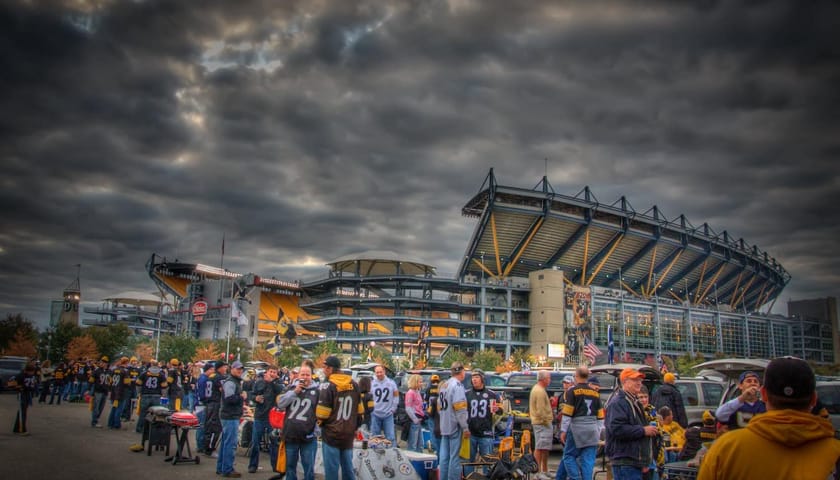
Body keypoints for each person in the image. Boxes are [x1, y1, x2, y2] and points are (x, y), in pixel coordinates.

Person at [697, 356, 840, 480]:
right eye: (749, 381)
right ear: (814, 399)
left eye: (755, 381)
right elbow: (721, 414)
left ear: (763, 393)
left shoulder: (725, 449)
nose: (752, 384)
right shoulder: (835, 451)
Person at [605, 367, 659, 480]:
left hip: (634, 462)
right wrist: (643, 430)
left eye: (640, 380)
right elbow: (616, 429)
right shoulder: (618, 402)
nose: (639, 383)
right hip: (625, 461)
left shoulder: (634, 402)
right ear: (625, 382)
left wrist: (644, 461)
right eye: (635, 380)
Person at [316, 356, 363, 480]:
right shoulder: (354, 384)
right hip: (348, 434)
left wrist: (321, 425)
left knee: (331, 471)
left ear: (331, 368)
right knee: (348, 469)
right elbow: (360, 412)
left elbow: (322, 414)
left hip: (331, 434)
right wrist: (354, 427)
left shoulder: (328, 385)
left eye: (325, 368)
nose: (324, 370)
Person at [560, 366, 604, 480]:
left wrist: (563, 430)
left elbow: (567, 413)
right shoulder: (595, 393)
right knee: (588, 460)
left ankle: (576, 478)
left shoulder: (572, 391)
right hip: (592, 428)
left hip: (577, 428)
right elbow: (600, 416)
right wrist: (598, 430)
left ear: (576, 376)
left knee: (569, 456)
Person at [278, 364, 319, 480]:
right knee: (290, 467)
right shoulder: (290, 388)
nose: (305, 377)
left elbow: (320, 413)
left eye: (308, 374)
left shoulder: (317, 392)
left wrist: (317, 431)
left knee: (309, 468)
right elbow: (280, 404)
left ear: (312, 376)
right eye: (303, 374)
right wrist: (295, 392)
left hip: (308, 436)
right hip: (291, 434)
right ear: (298, 375)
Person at [465, 369, 500, 472]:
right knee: (468, 461)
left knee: (487, 461)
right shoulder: (466, 394)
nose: (474, 379)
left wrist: (498, 409)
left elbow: (500, 411)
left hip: (486, 432)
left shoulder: (492, 394)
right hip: (470, 432)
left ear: (482, 379)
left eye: (477, 377)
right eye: (472, 377)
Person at [248, 365, 281, 474]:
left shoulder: (278, 384)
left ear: (277, 374)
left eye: (274, 372)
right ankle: (253, 465)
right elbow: (251, 395)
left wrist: (271, 382)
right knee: (255, 442)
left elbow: (280, 393)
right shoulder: (259, 382)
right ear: (267, 372)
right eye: (271, 371)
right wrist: (255, 398)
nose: (272, 374)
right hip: (259, 416)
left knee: (274, 442)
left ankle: (275, 466)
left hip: (272, 418)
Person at [439, 362, 469, 480]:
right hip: (455, 425)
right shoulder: (457, 386)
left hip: (444, 424)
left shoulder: (444, 385)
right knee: (455, 457)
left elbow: (439, 406)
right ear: (461, 372)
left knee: (444, 457)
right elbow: (460, 409)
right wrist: (465, 427)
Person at [217, 360, 247, 478]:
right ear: (232, 369)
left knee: (225, 442)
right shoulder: (231, 382)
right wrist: (241, 397)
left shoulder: (234, 381)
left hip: (229, 414)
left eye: (241, 369)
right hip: (230, 416)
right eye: (237, 369)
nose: (240, 371)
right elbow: (229, 399)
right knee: (230, 443)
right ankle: (227, 469)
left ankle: (221, 467)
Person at [529, 370, 554, 480]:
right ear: (543, 379)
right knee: (539, 447)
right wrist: (546, 420)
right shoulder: (539, 391)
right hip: (541, 423)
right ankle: (537, 472)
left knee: (545, 448)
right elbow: (540, 410)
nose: (550, 380)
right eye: (549, 378)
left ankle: (545, 470)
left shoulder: (540, 389)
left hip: (543, 422)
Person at [135, 360, 168, 434]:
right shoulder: (161, 374)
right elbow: (164, 387)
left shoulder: (144, 373)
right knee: (155, 414)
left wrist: (139, 393)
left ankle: (140, 428)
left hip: (145, 395)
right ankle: (152, 429)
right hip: (157, 396)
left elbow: (138, 384)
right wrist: (164, 397)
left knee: (143, 413)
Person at [369, 364, 399, 446]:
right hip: (375, 414)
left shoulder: (391, 383)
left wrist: (393, 409)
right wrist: (371, 410)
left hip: (388, 414)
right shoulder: (371, 383)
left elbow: (396, 397)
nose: (379, 374)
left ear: (384, 372)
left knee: (390, 437)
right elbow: (369, 397)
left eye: (380, 372)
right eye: (377, 372)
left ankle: (393, 456)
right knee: (374, 438)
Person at [11, 361, 37, 435]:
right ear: (27, 370)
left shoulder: (31, 376)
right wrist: (18, 387)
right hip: (22, 394)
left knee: (23, 411)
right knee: (22, 412)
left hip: (28, 394)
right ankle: (22, 429)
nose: (32, 373)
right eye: (31, 372)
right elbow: (11, 383)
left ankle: (17, 428)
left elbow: (32, 384)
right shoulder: (21, 375)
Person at [194, 362, 214, 454]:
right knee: (201, 425)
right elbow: (202, 393)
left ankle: (200, 444)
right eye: (212, 370)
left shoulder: (202, 378)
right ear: (208, 370)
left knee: (202, 425)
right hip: (201, 404)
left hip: (200, 403)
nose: (213, 371)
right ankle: (200, 445)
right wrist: (206, 400)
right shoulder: (203, 379)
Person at [107, 357, 131, 430]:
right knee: (119, 409)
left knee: (114, 408)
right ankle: (116, 424)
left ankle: (110, 423)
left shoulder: (114, 370)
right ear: (126, 363)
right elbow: (127, 383)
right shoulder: (125, 371)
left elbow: (110, 381)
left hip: (114, 391)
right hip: (121, 392)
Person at [405, 374, 426, 452]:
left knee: (420, 444)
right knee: (413, 444)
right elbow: (408, 408)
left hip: (419, 420)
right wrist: (415, 419)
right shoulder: (410, 393)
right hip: (414, 420)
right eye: (420, 382)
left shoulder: (417, 392)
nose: (421, 383)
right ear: (415, 382)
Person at [89, 356, 110, 428]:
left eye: (104, 363)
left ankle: (97, 419)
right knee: (96, 406)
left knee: (101, 407)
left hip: (105, 391)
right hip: (98, 391)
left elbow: (110, 381)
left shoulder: (109, 371)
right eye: (101, 362)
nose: (102, 364)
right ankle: (94, 421)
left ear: (106, 364)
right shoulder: (96, 371)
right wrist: (89, 389)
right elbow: (91, 381)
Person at [425, 374, 442, 455]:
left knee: (432, 431)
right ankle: (438, 448)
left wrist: (425, 411)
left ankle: (435, 447)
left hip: (431, 412)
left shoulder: (428, 389)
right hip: (439, 414)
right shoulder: (441, 388)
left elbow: (425, 401)